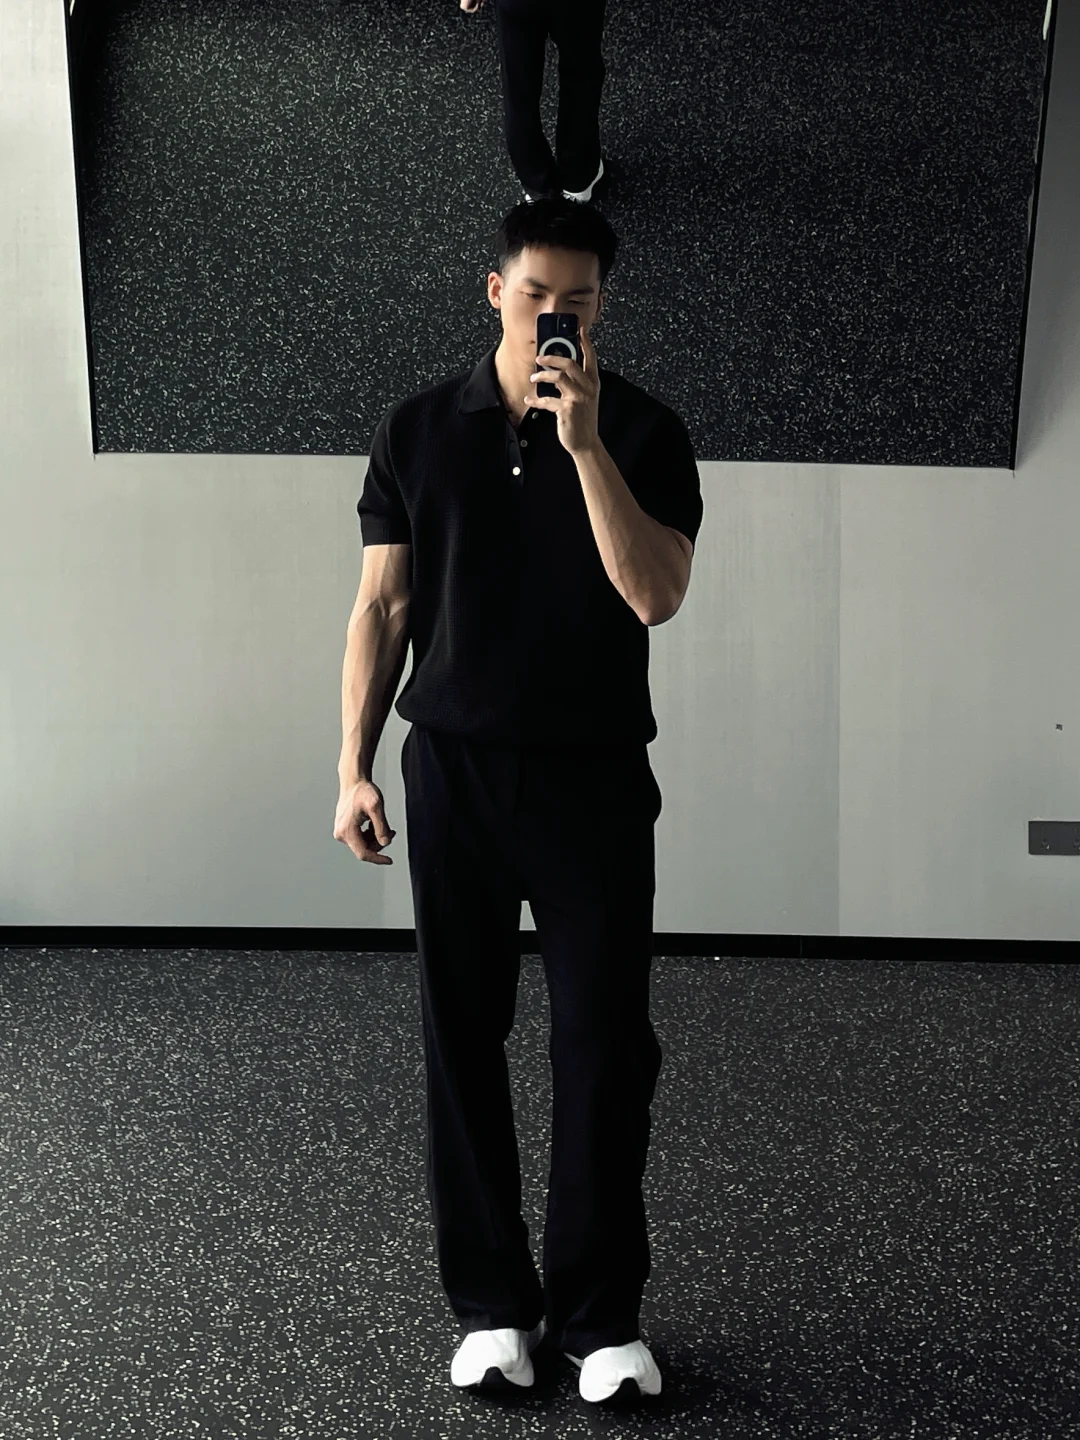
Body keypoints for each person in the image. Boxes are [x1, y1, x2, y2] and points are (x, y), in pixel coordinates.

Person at [332, 17, 702, 1416]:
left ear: (602, 311)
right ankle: (494, 1310)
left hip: (595, 779)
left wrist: (585, 443)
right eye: (537, 293)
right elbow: (381, 608)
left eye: (581, 302)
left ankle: (601, 1320)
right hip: (458, 775)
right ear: (495, 290)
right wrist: (351, 765)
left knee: (606, 1048)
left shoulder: (647, 432)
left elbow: (654, 594)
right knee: (462, 1037)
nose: (557, 315)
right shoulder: (415, 431)